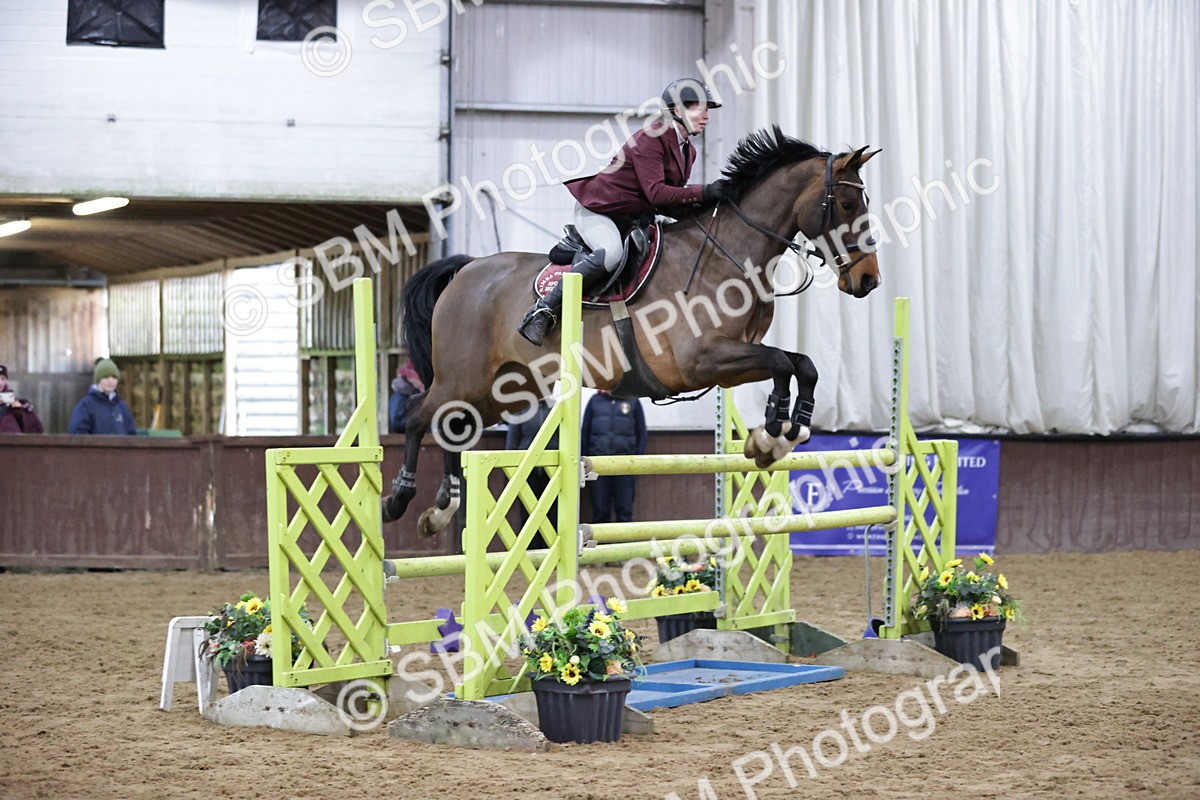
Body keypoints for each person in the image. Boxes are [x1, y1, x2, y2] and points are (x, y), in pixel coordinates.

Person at [518, 78, 731, 345]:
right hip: (599, 211)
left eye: (708, 110)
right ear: (677, 111)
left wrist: (707, 214)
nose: (706, 116)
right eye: (699, 109)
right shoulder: (650, 138)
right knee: (611, 255)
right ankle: (543, 310)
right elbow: (657, 193)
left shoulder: (688, 150)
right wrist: (706, 191)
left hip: (632, 218)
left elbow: (667, 204)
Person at [581, 391, 648, 524]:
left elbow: (642, 433)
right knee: (600, 511)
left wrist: (637, 461)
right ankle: (600, 545)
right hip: (597, 466)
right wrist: (585, 464)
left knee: (625, 511)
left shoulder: (633, 400)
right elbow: (585, 433)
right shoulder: (594, 401)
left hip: (626, 467)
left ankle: (625, 544)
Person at [505, 398, 558, 547]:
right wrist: (512, 471)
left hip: (553, 472)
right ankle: (529, 553)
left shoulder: (557, 407)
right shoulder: (520, 409)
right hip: (527, 472)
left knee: (552, 514)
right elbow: (512, 442)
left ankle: (550, 552)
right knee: (527, 514)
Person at [68, 358, 136, 435]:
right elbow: (77, 435)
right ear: (98, 380)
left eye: (114, 377)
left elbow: (132, 435)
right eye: (106, 377)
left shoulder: (122, 407)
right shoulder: (85, 406)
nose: (111, 381)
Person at [0, 364, 44, 434]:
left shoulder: (14, 401)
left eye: (3, 378)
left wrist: (19, 413)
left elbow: (34, 427)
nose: (0, 382)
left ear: (6, 380)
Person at [389, 361, 425, 434]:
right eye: (418, 377)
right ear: (410, 378)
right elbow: (397, 424)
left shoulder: (416, 393)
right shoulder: (400, 396)